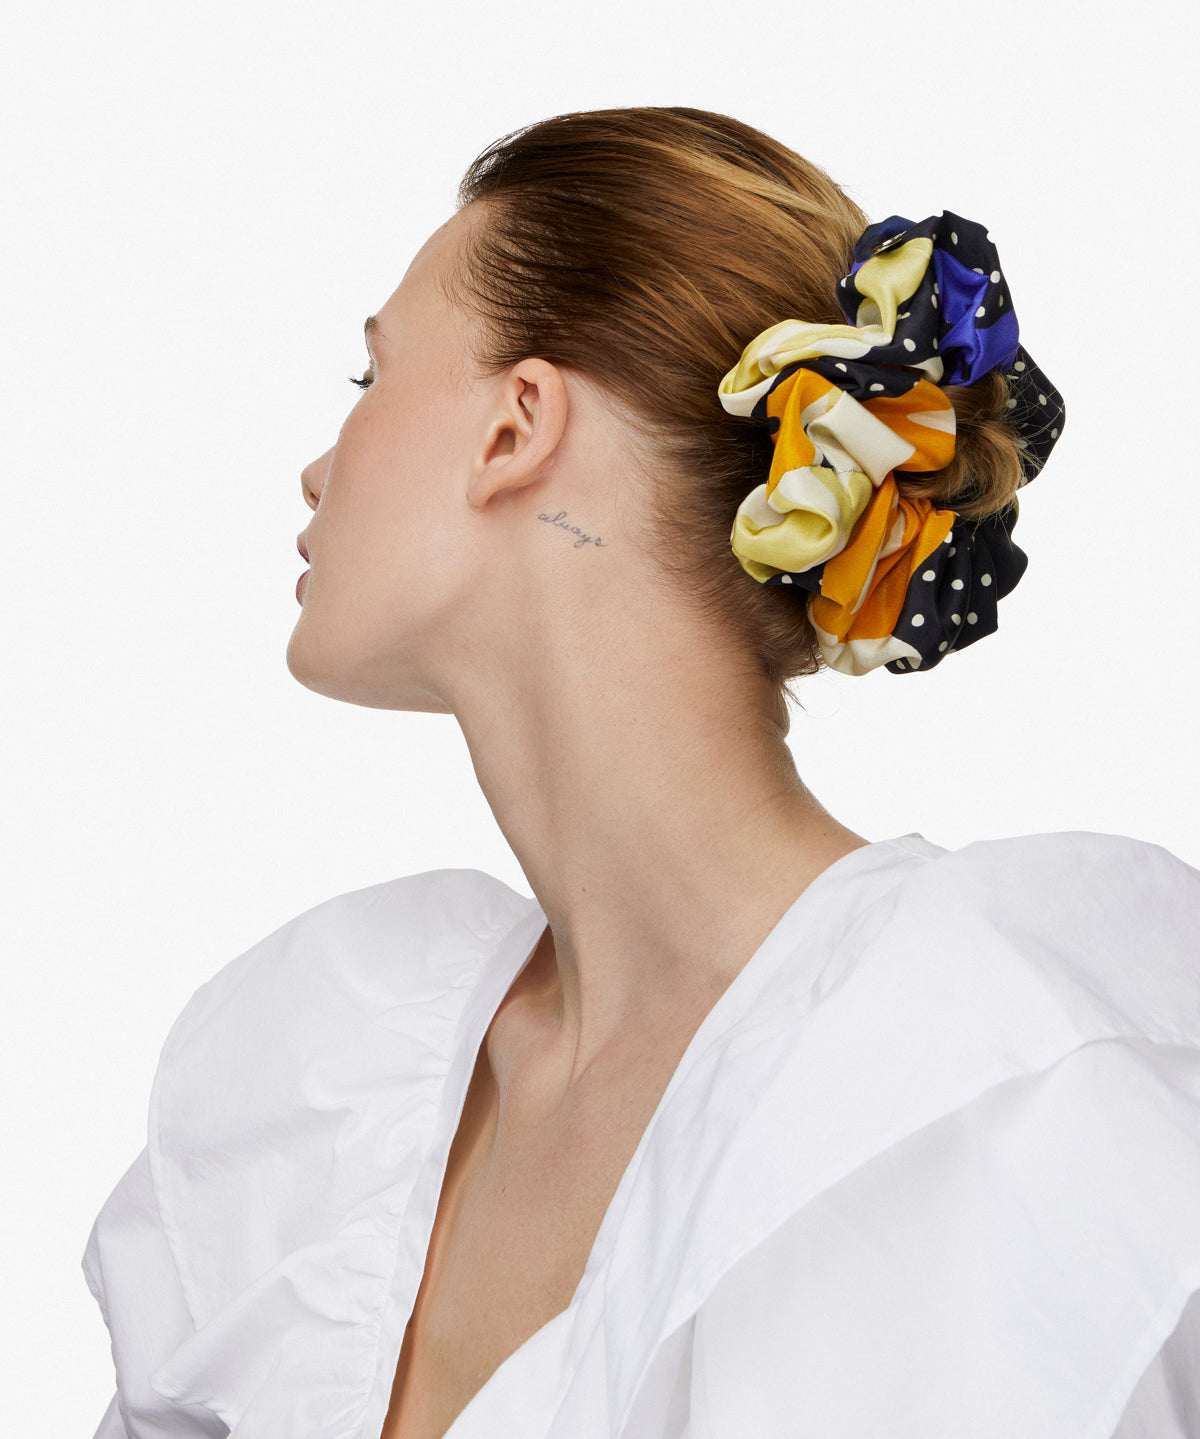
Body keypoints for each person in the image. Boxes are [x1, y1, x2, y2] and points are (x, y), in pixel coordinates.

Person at [82, 107, 1200, 1439]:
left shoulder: (980, 1087)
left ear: (515, 428)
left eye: (369, 377)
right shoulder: (314, 1077)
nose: (318, 468)